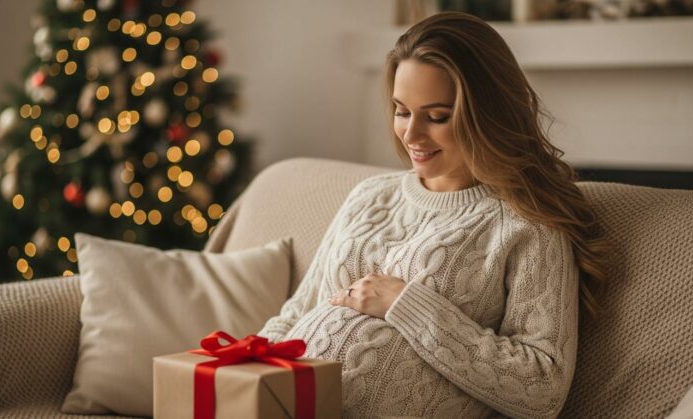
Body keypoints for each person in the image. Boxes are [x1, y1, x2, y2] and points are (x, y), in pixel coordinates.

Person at [257, 11, 610, 419]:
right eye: (402, 111)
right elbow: (298, 312)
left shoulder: (528, 225)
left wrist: (406, 305)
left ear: (487, 115)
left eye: (437, 117)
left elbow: (542, 387)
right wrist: (245, 372)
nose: (410, 134)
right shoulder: (368, 196)